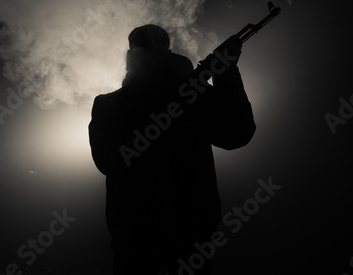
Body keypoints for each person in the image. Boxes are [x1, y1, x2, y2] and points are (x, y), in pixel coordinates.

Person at [88, 24, 256, 275]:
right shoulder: (110, 103)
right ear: (132, 52)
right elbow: (109, 161)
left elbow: (236, 133)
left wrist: (226, 73)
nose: (155, 48)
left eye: (160, 42)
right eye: (146, 43)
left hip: (188, 229)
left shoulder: (193, 95)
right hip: (138, 234)